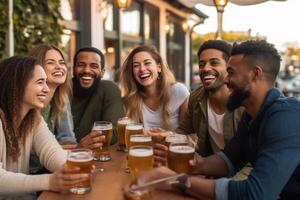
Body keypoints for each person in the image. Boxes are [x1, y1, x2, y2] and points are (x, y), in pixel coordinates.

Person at [136, 40, 300, 200]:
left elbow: (254, 193)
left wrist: (176, 180)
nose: (226, 80)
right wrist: (193, 163)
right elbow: (228, 159)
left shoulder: (285, 117)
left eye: (232, 73)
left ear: (255, 74)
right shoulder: (252, 114)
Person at [0, 56, 89, 197]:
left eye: (46, 83)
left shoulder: (33, 119)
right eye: (40, 82)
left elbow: (53, 154)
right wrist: (49, 181)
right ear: (16, 85)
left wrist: (81, 164)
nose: (47, 89)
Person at [120, 45, 189, 131]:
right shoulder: (130, 100)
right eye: (136, 66)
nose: (142, 69)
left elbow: (190, 135)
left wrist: (167, 136)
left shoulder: (178, 91)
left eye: (147, 63)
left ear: (159, 67)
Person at [72, 47, 124, 144]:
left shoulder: (108, 89)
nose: (87, 70)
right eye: (81, 65)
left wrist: (83, 144)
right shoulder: (63, 90)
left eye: (94, 66)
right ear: (73, 69)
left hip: (96, 155)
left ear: (102, 72)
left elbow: (115, 133)